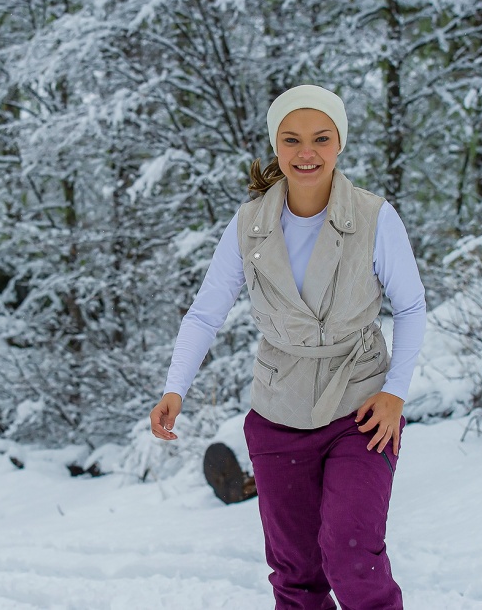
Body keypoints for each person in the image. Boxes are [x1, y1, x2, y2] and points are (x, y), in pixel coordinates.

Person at [149, 84, 426, 610]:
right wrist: (175, 388)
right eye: (292, 139)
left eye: (321, 138)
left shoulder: (374, 218)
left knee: (352, 555)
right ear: (276, 146)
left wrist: (395, 393)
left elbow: (410, 308)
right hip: (279, 413)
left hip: (362, 408)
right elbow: (207, 311)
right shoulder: (249, 225)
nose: (307, 152)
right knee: (296, 575)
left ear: (339, 143)